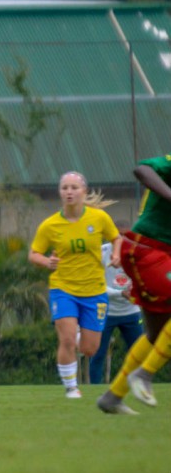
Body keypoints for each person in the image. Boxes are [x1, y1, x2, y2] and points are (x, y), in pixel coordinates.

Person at [28, 171, 120, 399]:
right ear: (60, 192)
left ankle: (79, 335)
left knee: (90, 349)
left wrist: (116, 254)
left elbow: (116, 238)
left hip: (94, 290)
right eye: (64, 188)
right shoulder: (50, 225)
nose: (69, 192)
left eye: (74, 188)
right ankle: (71, 388)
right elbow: (34, 254)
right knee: (66, 339)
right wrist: (47, 262)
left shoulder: (99, 218)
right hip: (63, 289)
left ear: (84, 192)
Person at [97, 155, 171, 413]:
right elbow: (143, 170)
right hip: (145, 250)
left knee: (156, 334)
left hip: (160, 259)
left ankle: (112, 397)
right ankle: (144, 375)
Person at [88, 221, 143, 385]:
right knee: (97, 354)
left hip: (131, 312)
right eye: (120, 236)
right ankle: (94, 389)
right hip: (105, 311)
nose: (123, 240)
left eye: (128, 236)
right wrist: (120, 293)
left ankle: (138, 386)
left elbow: (145, 278)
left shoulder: (138, 253)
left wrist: (136, 290)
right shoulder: (101, 252)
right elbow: (95, 284)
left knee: (139, 354)